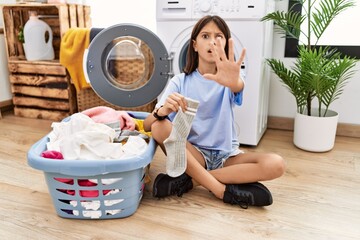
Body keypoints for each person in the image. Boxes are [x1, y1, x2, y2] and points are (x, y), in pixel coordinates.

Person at [143, 15, 285, 208]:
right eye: (205, 36)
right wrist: (163, 110)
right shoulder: (180, 81)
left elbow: (237, 85)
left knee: (276, 164)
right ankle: (221, 190)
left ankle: (192, 181)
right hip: (194, 155)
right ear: (194, 44)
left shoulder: (231, 79)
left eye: (218, 36)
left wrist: (234, 82)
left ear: (225, 44)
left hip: (227, 157)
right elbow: (147, 125)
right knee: (160, 127)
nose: (212, 41)